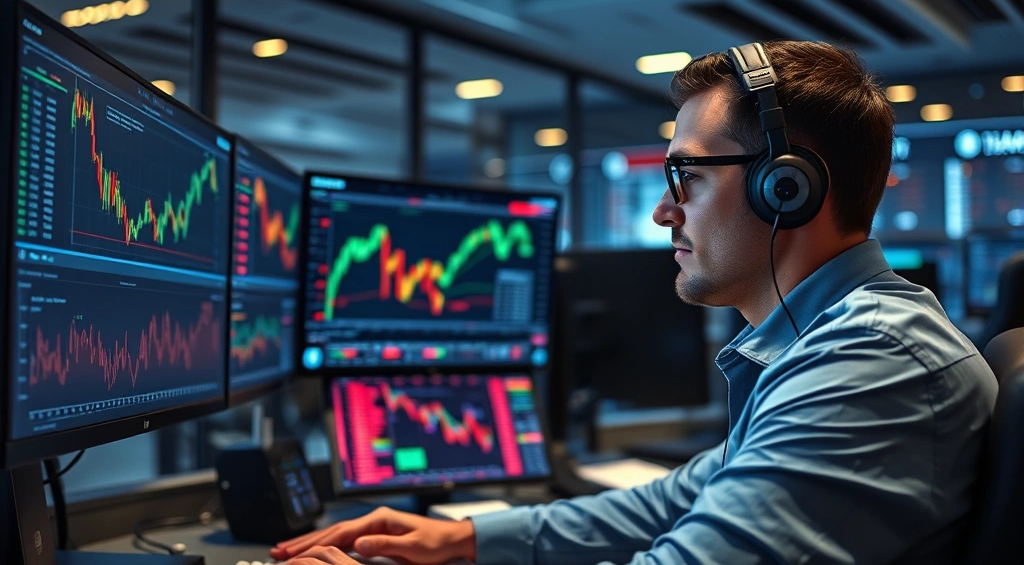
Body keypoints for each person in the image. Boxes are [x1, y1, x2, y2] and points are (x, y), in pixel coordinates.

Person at [271, 40, 998, 565]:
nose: (663, 212)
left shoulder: (870, 361)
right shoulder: (828, 342)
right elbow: (682, 498)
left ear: (787, 187)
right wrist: (465, 539)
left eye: (687, 177)